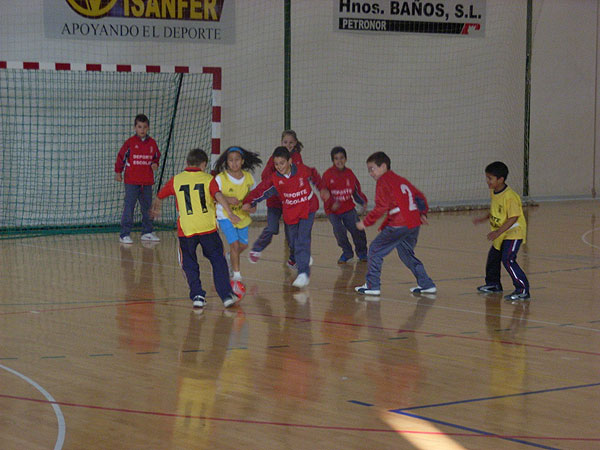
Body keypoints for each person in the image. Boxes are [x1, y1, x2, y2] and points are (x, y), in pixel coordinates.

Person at [150, 148, 240, 309]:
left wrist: (156, 207)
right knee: (218, 260)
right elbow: (217, 196)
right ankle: (226, 295)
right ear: (203, 164)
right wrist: (230, 212)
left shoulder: (176, 180)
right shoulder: (208, 179)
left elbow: (159, 195)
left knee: (189, 263)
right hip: (207, 228)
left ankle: (198, 295)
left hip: (187, 230)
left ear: (187, 163)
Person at [242, 146, 329, 288]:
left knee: (303, 239)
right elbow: (261, 190)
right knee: (293, 243)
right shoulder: (275, 179)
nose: (279, 167)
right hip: (291, 212)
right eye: (276, 164)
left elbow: (313, 174)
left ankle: (304, 273)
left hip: (308, 207)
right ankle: (303, 256)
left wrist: (322, 188)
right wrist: (249, 202)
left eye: (282, 163)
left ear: (289, 161)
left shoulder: (301, 170)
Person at [354, 151, 436, 296]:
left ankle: (372, 286)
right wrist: (422, 213)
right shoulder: (400, 180)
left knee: (374, 250)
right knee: (406, 253)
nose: (371, 173)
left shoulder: (383, 181)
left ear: (383, 166)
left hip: (399, 222)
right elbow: (419, 196)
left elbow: (381, 207)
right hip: (413, 223)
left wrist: (365, 223)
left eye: (372, 169)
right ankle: (426, 284)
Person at [472, 161, 530, 301]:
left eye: (490, 178)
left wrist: (497, 232)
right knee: (493, 258)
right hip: (501, 232)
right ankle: (493, 284)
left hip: (513, 233)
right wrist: (484, 218)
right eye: (487, 177)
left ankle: (522, 289)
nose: (487, 181)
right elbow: (495, 209)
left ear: (501, 179)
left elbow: (513, 218)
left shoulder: (510, 197)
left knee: (508, 259)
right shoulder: (494, 192)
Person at [248, 130, 304, 268]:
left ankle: (293, 258)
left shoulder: (297, 158)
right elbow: (264, 176)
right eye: (285, 142)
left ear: (295, 143)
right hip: (274, 201)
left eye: (291, 142)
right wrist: (277, 184)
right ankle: (257, 248)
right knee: (272, 228)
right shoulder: (276, 157)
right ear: (281, 142)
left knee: (292, 234)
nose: (288, 145)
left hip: (289, 203)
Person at [211, 146, 262, 282]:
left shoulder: (249, 178)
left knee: (243, 245)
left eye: (237, 160)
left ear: (242, 161)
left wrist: (252, 207)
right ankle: (237, 275)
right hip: (225, 216)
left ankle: (229, 257)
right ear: (226, 162)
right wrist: (227, 199)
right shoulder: (221, 178)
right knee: (234, 244)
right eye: (231, 160)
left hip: (242, 217)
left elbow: (254, 197)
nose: (234, 163)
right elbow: (214, 195)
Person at [114, 113, 161, 244]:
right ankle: (124, 234)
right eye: (139, 127)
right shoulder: (129, 143)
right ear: (135, 128)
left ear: (148, 128)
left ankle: (147, 231)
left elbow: (157, 156)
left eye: (145, 127)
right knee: (129, 207)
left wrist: (155, 163)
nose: (142, 130)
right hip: (131, 182)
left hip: (146, 182)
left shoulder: (152, 143)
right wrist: (118, 172)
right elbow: (121, 157)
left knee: (147, 207)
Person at [322, 146, 368, 264]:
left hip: (348, 209)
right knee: (339, 231)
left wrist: (363, 202)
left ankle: (362, 253)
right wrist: (332, 203)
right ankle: (347, 253)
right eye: (336, 158)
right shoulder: (327, 175)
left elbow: (356, 191)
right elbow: (324, 192)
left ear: (346, 159)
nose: (339, 161)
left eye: (342, 158)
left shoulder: (350, 174)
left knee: (357, 230)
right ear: (333, 160)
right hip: (333, 212)